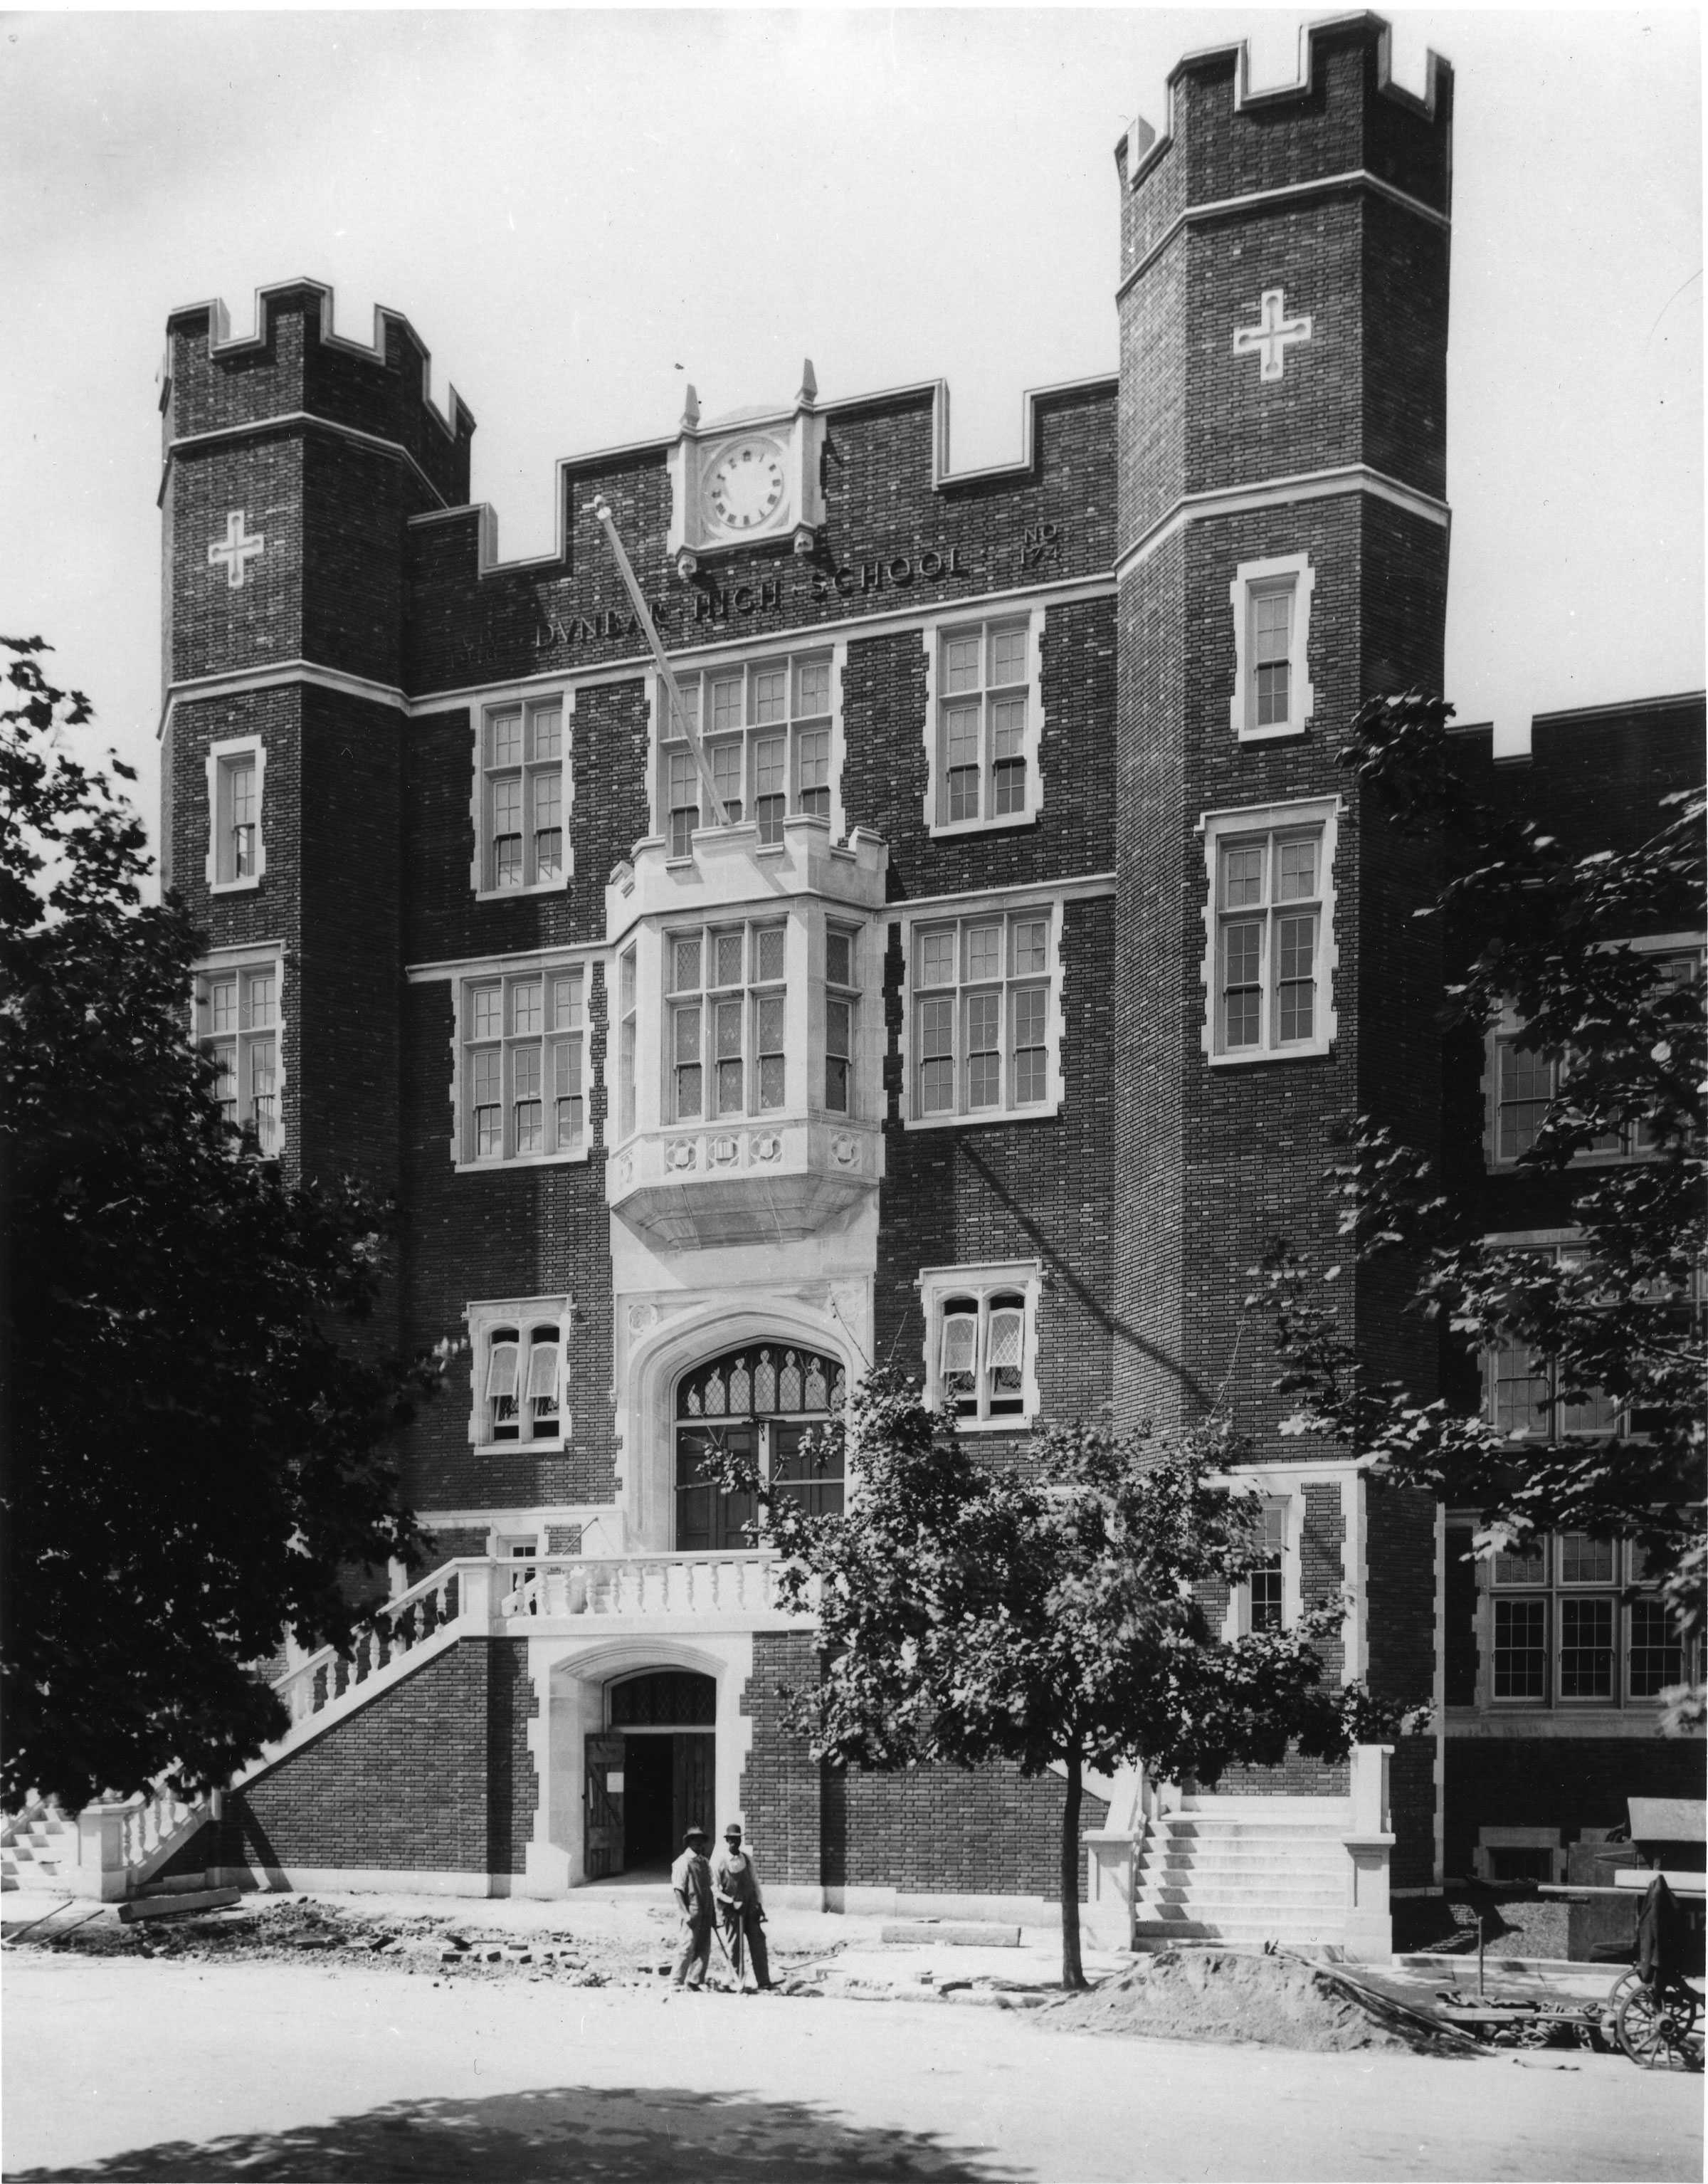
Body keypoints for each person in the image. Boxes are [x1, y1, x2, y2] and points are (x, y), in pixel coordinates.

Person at [712, 1820, 774, 1991]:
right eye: (732, 1839)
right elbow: (714, 1889)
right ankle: (735, 1981)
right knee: (735, 1946)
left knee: (758, 1942)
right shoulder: (720, 1862)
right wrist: (730, 1901)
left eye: (738, 1839)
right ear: (727, 1840)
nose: (735, 1842)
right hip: (732, 1911)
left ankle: (764, 1981)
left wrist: (759, 1906)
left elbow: (755, 1884)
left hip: (750, 1909)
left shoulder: (747, 1859)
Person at [669, 1825, 714, 1992]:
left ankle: (694, 1981)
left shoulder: (704, 1862)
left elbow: (710, 1887)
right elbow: (678, 1890)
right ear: (689, 1843)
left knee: (704, 1947)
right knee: (687, 1946)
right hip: (692, 1912)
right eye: (696, 1842)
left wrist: (713, 1914)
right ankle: (676, 1981)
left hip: (706, 1910)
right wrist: (685, 1913)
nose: (699, 1845)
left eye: (701, 1842)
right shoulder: (682, 1863)